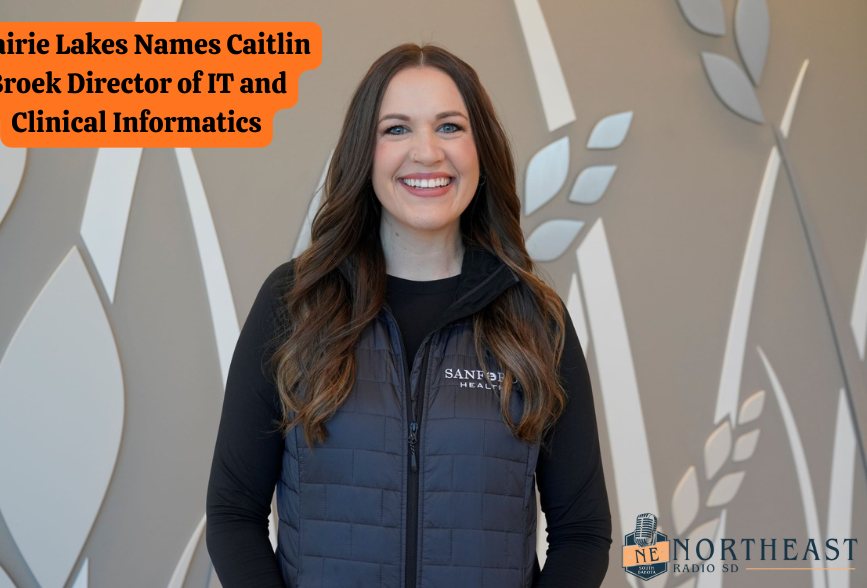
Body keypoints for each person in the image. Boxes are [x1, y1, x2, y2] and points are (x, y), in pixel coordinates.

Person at [206, 42, 612, 588]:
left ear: (481, 149)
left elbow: (582, 533)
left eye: (450, 127)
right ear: (363, 153)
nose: (427, 152)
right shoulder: (294, 304)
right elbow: (234, 515)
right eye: (396, 129)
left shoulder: (535, 318)